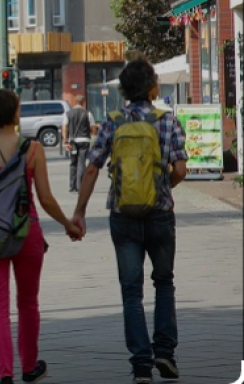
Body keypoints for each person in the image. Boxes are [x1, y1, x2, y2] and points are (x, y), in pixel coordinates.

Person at [70, 58, 187, 384]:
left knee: (131, 291)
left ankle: (140, 367)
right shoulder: (167, 121)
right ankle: (165, 352)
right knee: (164, 283)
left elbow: (92, 168)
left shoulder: (113, 121)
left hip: (123, 217)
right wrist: (162, 188)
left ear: (123, 90)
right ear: (152, 88)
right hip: (160, 213)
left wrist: (79, 212)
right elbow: (179, 169)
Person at [0, 89, 83, 384]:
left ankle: (5, 374)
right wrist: (67, 223)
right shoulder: (32, 150)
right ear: (15, 114)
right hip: (26, 232)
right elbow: (45, 198)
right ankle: (29, 367)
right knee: (28, 302)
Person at [62, 95, 97, 193]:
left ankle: (72, 186)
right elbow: (93, 128)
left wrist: (65, 140)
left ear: (75, 102)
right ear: (83, 103)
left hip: (72, 141)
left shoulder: (68, 114)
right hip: (84, 140)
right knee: (81, 163)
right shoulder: (88, 113)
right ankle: (80, 186)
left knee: (73, 163)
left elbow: (64, 127)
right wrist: (90, 134)